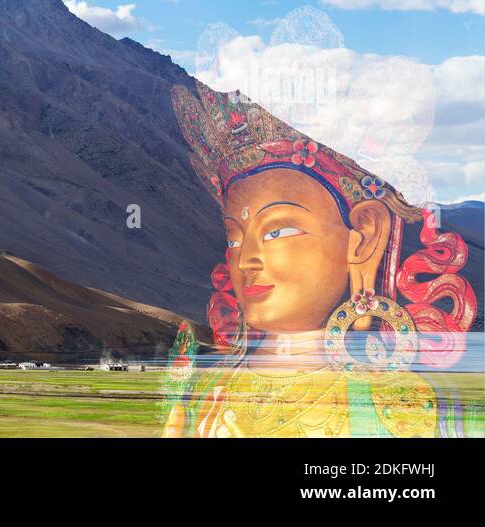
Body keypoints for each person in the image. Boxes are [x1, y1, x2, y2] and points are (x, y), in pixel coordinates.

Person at [161, 83, 478, 438]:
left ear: (364, 239)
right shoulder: (208, 395)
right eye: (235, 238)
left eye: (278, 232)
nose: (246, 260)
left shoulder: (399, 407)